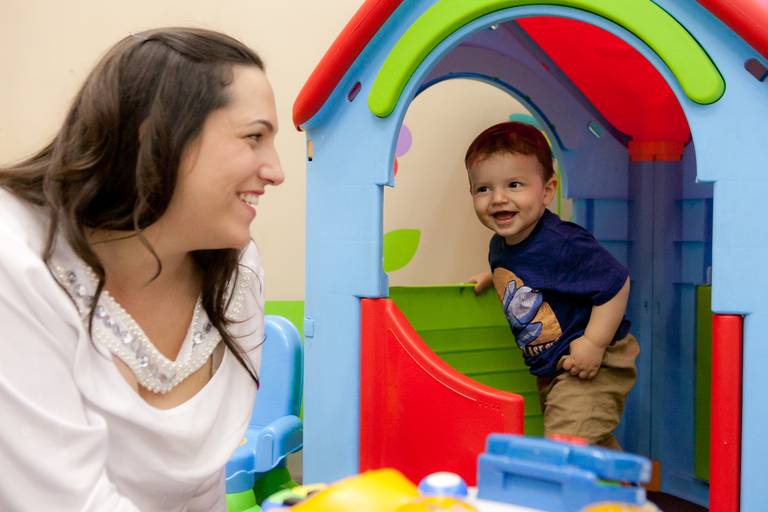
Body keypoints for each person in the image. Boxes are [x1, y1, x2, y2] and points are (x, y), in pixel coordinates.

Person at [0, 28, 284, 511]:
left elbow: (203, 491)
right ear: (158, 137)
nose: (276, 171)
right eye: (254, 136)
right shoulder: (17, 259)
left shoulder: (237, 270)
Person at [465, 122, 638, 449]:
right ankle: (619, 493)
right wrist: (493, 275)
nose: (498, 198)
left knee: (565, 443)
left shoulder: (562, 242)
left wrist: (594, 343)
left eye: (514, 185)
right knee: (587, 443)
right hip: (554, 368)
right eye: (483, 189)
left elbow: (616, 282)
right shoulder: (501, 244)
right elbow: (527, 269)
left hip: (593, 362)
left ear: (546, 191)